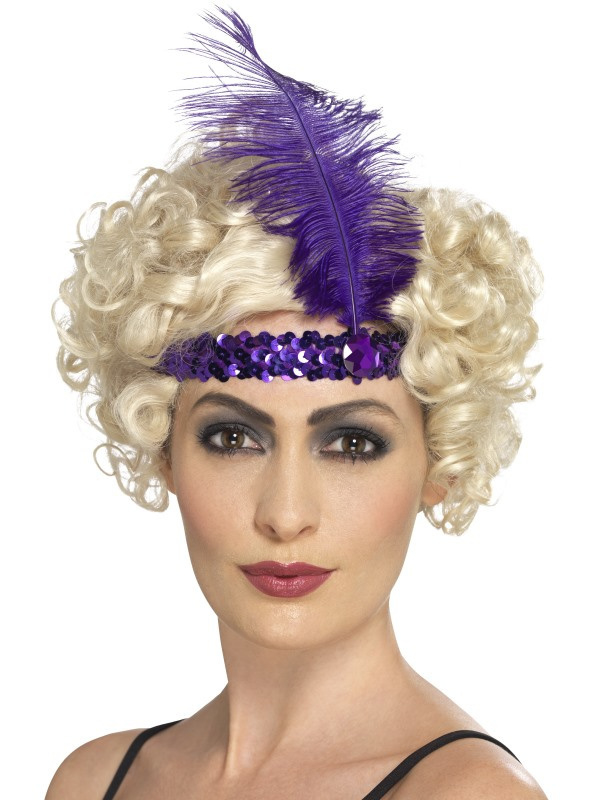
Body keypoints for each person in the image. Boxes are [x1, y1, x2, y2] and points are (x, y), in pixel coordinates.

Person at [46, 9, 547, 799]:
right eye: (232, 437)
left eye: (351, 444)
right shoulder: (95, 780)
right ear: (162, 450)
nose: (285, 515)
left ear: (440, 466)